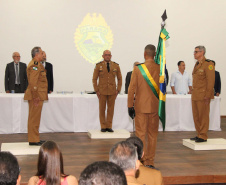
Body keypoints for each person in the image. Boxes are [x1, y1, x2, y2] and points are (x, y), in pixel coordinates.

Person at [128, 44, 160, 168]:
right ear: (155, 55)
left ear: (144, 54)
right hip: (155, 107)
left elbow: (131, 89)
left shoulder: (138, 69)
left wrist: (130, 105)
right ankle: (150, 161)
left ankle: (141, 159)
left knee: (140, 134)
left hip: (141, 107)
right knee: (153, 135)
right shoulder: (159, 69)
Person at [92, 50, 122, 132]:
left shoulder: (116, 66)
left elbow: (119, 78)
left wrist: (118, 90)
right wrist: (96, 90)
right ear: (103, 56)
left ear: (111, 56)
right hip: (102, 91)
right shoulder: (98, 66)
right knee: (102, 109)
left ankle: (109, 126)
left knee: (110, 109)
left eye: (109, 55)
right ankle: (103, 126)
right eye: (106, 55)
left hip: (112, 91)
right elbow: (94, 79)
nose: (107, 56)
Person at [24, 47, 48, 146]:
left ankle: (35, 138)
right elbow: (33, 82)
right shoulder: (35, 65)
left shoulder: (38, 65)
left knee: (35, 118)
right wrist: (35, 96)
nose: (43, 55)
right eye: (42, 53)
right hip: (36, 95)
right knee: (34, 118)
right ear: (36, 54)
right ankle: (33, 140)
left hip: (38, 94)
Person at [191, 46, 215, 142]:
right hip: (196, 95)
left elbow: (210, 81)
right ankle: (199, 133)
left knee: (203, 116)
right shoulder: (197, 64)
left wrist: (208, 95)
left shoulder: (208, 64)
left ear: (202, 52)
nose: (194, 53)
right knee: (196, 116)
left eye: (196, 52)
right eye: (194, 51)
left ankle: (203, 135)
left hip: (203, 95)